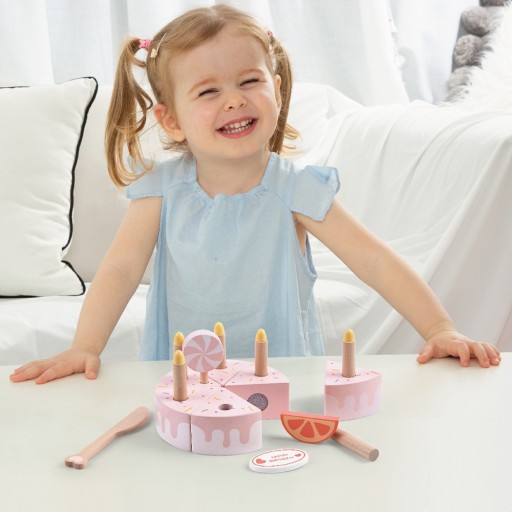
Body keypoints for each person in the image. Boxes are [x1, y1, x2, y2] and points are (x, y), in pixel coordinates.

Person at [10, 5, 500, 385]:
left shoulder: (295, 189)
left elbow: (374, 260)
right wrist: (85, 347)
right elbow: (119, 271)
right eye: (208, 92)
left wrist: (439, 329)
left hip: (280, 379)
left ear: (278, 90)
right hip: (185, 381)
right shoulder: (161, 191)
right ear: (171, 119)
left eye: (249, 81)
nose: (234, 99)